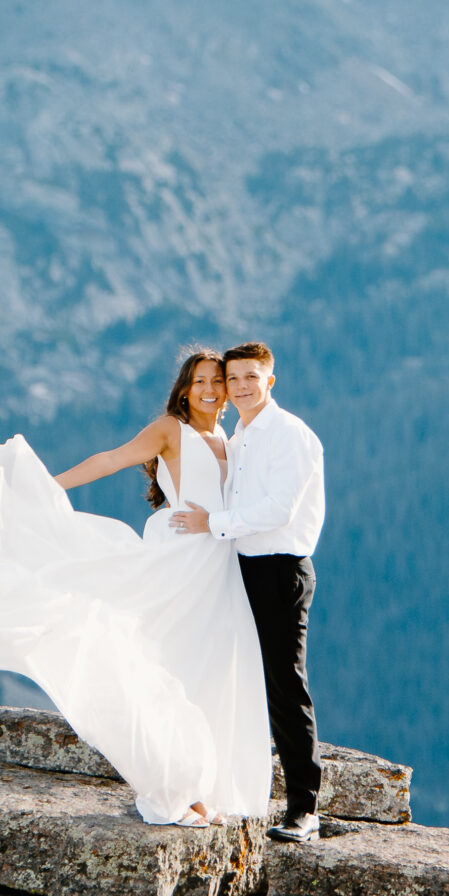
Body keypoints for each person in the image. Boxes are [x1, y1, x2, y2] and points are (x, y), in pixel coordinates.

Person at [0, 350, 272, 826]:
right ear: (185, 388)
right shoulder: (170, 429)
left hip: (218, 571)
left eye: (216, 381)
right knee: (163, 671)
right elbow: (113, 459)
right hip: (179, 565)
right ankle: (175, 788)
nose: (209, 389)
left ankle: (204, 787)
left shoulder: (225, 436)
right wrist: (47, 488)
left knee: (207, 676)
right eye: (199, 381)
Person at [167, 340, 325, 841]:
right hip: (242, 568)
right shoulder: (240, 435)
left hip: (280, 569)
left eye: (249, 378)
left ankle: (304, 809)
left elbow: (279, 509)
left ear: (269, 381)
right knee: (231, 678)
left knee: (285, 684)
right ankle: (207, 787)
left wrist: (212, 522)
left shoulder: (290, 434)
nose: (238, 388)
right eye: (232, 379)